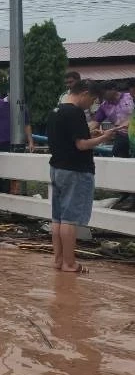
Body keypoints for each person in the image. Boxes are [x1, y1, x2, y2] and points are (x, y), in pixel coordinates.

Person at [47, 79, 120, 273]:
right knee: (69, 219)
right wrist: (103, 138)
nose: (93, 105)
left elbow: (69, 137)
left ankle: (58, 260)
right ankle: (70, 263)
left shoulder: (56, 112)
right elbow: (81, 145)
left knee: (57, 218)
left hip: (57, 168)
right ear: (85, 93)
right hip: (75, 169)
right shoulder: (75, 112)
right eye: (94, 100)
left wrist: (91, 132)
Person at [0, 95, 35, 193]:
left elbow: (26, 124)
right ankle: (1, 191)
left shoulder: (21, 106)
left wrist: (31, 141)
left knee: (12, 171)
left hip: (14, 144)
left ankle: (9, 193)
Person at [88, 81, 133, 159]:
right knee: (118, 157)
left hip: (133, 131)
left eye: (103, 93)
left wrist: (114, 129)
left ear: (113, 89)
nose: (102, 96)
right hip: (122, 135)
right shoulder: (104, 106)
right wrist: (85, 130)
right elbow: (95, 122)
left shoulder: (130, 97)